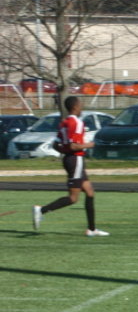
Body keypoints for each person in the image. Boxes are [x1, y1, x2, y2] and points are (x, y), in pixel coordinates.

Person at [32, 96, 110, 236]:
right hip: (76, 160)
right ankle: (41, 210)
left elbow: (56, 145)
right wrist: (91, 145)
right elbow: (74, 146)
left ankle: (92, 230)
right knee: (73, 198)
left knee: (90, 192)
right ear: (75, 107)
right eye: (80, 105)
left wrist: (66, 152)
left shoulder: (64, 123)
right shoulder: (77, 123)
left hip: (71, 159)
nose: (82, 107)